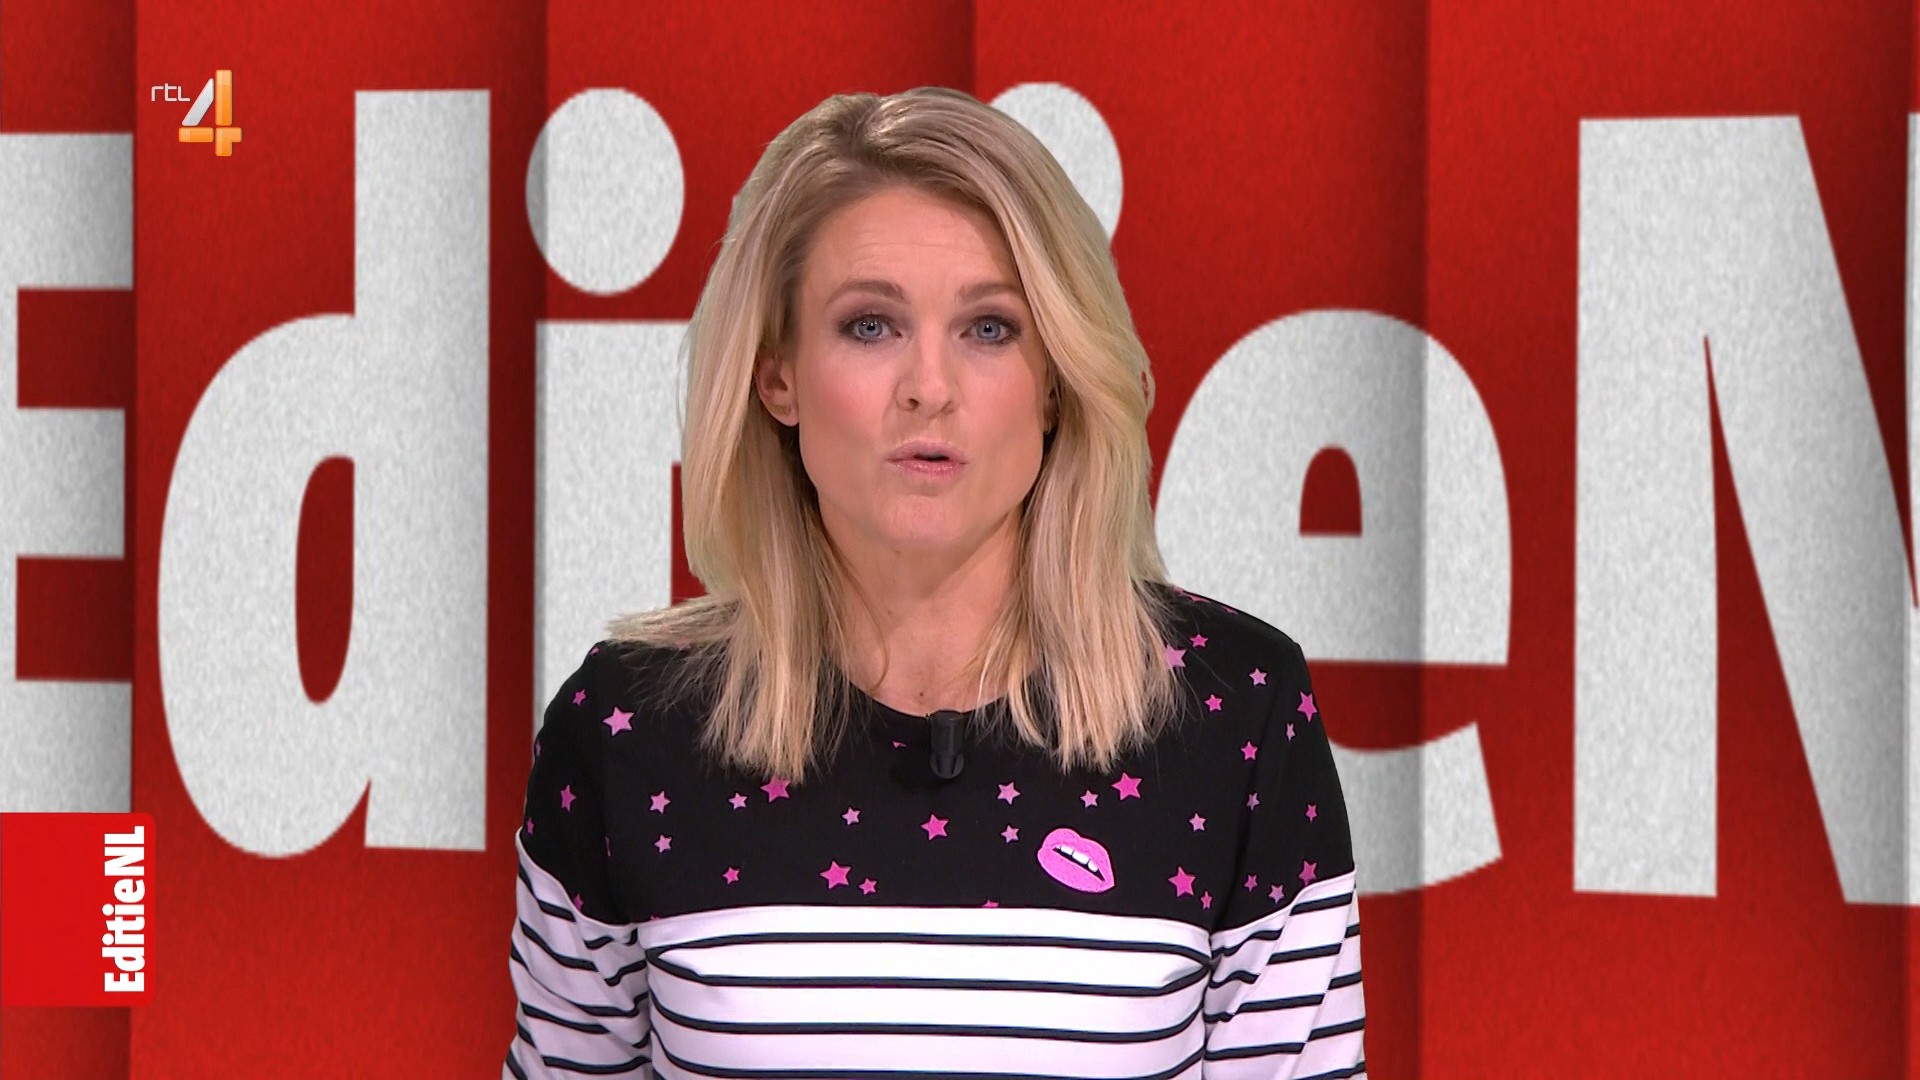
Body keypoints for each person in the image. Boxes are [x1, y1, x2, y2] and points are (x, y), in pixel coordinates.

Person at [503, 86, 1365, 1079]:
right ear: (777, 375)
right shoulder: (626, 731)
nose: (929, 388)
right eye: (870, 326)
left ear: (1056, 380)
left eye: (989, 329)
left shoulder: (1235, 712)